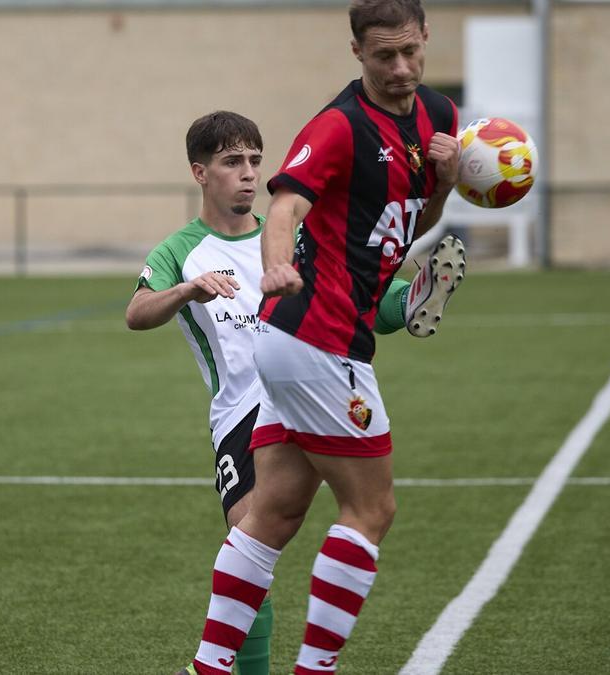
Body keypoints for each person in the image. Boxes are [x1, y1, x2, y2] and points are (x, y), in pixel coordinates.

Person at [177, 2, 464, 673]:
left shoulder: (440, 119)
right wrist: (278, 262)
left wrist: (446, 183)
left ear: (425, 41)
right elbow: (287, 203)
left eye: (409, 53)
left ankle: (208, 666)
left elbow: (410, 218)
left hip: (304, 345)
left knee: (273, 515)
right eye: (382, 56)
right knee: (372, 507)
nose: (399, 69)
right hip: (318, 340)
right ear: (356, 52)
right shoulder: (338, 127)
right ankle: (315, 669)